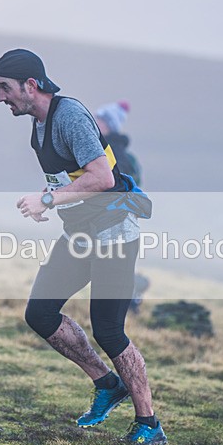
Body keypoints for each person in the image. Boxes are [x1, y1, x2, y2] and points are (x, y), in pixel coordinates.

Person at [0, 49, 166, 445]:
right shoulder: (39, 122)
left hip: (115, 232)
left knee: (109, 330)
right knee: (40, 313)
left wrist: (48, 200)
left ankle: (150, 425)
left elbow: (102, 178)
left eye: (4, 87)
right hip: (80, 234)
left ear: (30, 85)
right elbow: (73, 178)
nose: (0, 97)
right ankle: (106, 383)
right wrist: (53, 199)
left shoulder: (69, 116)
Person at [95, 101, 148, 313]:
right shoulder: (117, 152)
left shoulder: (112, 152)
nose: (95, 122)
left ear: (109, 125)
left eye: (100, 120)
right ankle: (133, 294)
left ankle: (132, 297)